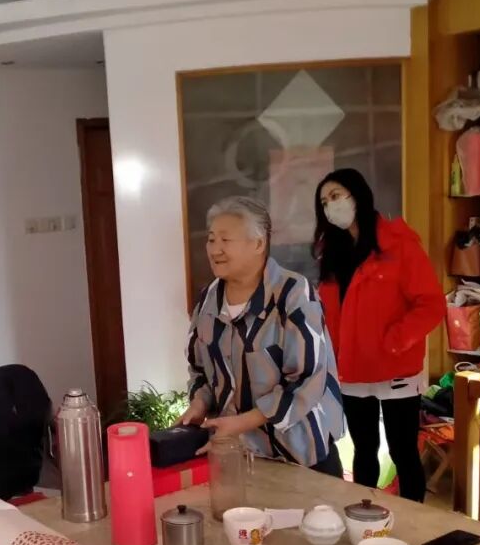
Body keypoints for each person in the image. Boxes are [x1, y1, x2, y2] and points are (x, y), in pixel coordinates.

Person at [181, 196, 345, 475]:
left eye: (225, 240)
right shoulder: (208, 299)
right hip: (237, 456)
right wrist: (199, 403)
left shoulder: (293, 293)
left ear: (258, 244)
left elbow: (308, 379)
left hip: (301, 455)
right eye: (211, 239)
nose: (215, 249)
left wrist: (244, 422)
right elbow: (200, 369)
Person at [312, 169, 445, 502]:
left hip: (395, 368)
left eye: (336, 196)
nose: (330, 206)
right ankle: (365, 515)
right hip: (352, 369)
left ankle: (414, 520)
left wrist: (395, 340)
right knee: (364, 450)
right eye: (324, 202)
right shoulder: (331, 252)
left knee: (403, 451)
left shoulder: (399, 244)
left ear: (358, 195)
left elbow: (431, 304)